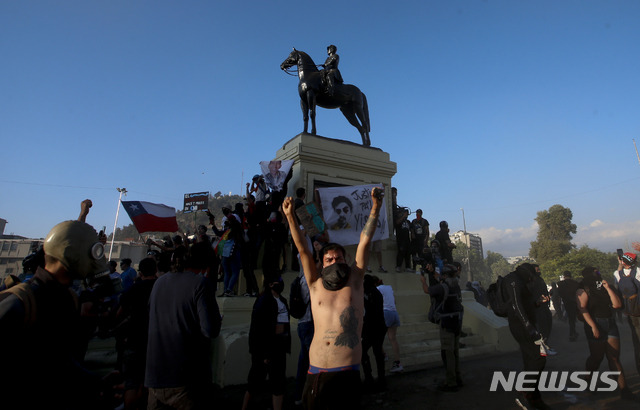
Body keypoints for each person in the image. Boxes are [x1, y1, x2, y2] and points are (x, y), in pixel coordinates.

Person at [283, 186, 383, 410]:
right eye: (329, 259)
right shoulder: (315, 284)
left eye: (338, 257)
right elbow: (302, 249)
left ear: (345, 259)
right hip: (316, 372)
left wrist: (376, 207)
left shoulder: (355, 280)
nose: (334, 261)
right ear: (322, 262)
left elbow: (365, 242)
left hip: (346, 373)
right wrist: (290, 216)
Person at [0, 219, 111, 409]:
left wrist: (93, 382)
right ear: (70, 254)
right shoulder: (18, 304)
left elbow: (58, 360)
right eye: (93, 251)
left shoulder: (68, 299)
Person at [145, 242, 222, 410]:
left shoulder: (159, 283)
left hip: (154, 378)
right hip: (185, 380)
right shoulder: (200, 284)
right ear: (207, 266)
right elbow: (210, 330)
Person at [578, 266, 635, 401]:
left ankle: (624, 390)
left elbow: (617, 305)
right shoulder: (583, 288)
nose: (597, 275)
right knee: (596, 357)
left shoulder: (605, 286)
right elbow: (582, 309)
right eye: (595, 273)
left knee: (614, 357)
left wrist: (608, 288)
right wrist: (593, 326)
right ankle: (588, 380)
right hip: (595, 323)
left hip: (610, 322)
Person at [502, 263, 550, 409]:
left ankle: (534, 397)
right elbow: (516, 306)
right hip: (521, 325)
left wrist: (536, 303)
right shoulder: (514, 280)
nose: (532, 278)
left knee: (531, 360)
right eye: (531, 275)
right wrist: (528, 326)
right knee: (538, 358)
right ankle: (525, 390)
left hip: (524, 324)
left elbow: (523, 304)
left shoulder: (519, 280)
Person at [241, 276, 291, 410]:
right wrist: (263, 353)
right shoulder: (263, 301)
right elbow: (259, 328)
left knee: (279, 384)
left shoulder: (282, 301)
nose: (280, 283)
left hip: (279, 347)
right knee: (254, 382)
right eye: (277, 281)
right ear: (270, 284)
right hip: (265, 348)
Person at [116, 257, 157, 410]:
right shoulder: (160, 287)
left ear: (140, 272)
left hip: (134, 338)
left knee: (132, 382)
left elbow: (119, 312)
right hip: (155, 341)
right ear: (156, 270)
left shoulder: (134, 289)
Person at [419, 264, 463, 392]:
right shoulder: (456, 286)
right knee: (455, 352)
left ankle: (451, 381)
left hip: (446, 324)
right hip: (457, 322)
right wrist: (436, 276)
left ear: (444, 276)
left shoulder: (442, 287)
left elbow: (427, 290)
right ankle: (458, 377)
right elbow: (444, 285)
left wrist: (423, 281)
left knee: (447, 353)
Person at [613, 250, 640, 376]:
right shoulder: (638, 271)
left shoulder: (617, 274)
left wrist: (620, 263)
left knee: (636, 340)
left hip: (630, 312)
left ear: (622, 261)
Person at [362, 274, 387, 391]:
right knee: (377, 353)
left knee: (364, 352)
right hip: (379, 327)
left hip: (371, 328)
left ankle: (370, 377)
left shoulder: (368, 294)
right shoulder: (375, 293)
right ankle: (381, 378)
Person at [376, 276, 403, 373]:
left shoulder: (377, 289)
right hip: (394, 313)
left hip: (385, 313)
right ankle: (398, 362)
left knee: (377, 336)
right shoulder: (389, 287)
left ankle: (383, 355)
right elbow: (394, 301)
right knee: (393, 338)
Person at [557, 270, 580, 341]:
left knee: (571, 318)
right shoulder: (575, 283)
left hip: (566, 302)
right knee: (572, 318)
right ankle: (572, 333)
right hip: (574, 302)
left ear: (564, 276)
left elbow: (559, 294)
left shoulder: (560, 284)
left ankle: (572, 333)